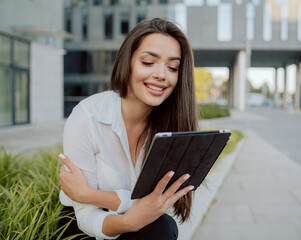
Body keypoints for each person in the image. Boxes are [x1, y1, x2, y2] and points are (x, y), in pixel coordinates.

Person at [58, 18, 198, 240]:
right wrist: (128, 221)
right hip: (82, 226)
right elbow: (85, 217)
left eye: (172, 67)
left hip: (139, 222)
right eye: (148, 62)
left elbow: (160, 204)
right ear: (128, 62)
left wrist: (89, 194)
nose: (161, 74)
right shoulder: (87, 117)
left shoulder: (173, 125)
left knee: (163, 227)